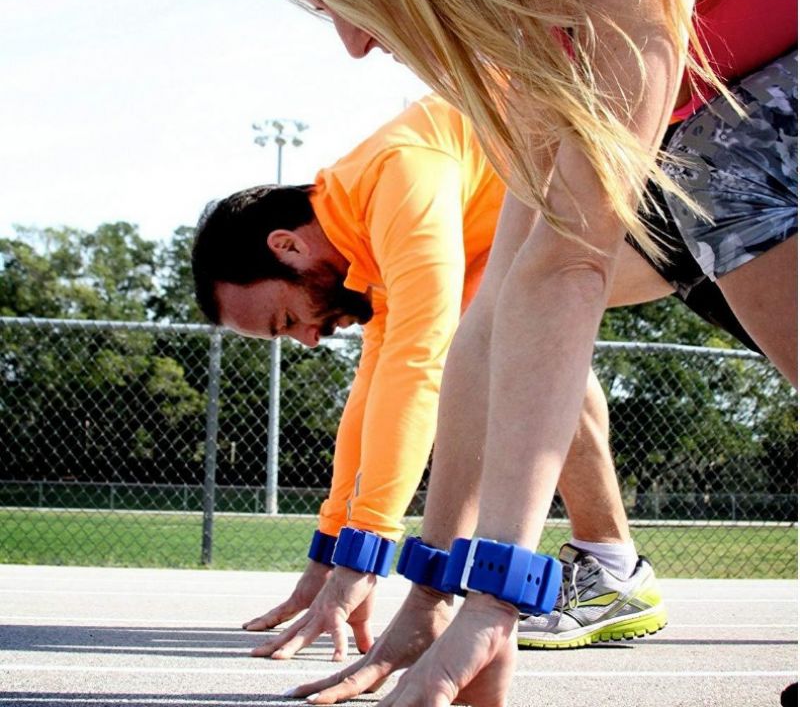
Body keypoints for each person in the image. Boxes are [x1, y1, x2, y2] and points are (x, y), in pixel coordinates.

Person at [249, 0, 797, 704]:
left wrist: (498, 595)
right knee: (708, 176)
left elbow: (571, 264)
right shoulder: (540, 37)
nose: (352, 44)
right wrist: (436, 590)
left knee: (718, 171)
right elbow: (494, 311)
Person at [193, 95, 760, 665]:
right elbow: (375, 389)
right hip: (616, 194)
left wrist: (363, 553)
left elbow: (418, 365)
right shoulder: (362, 231)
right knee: (518, 331)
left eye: (288, 320)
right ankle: (610, 567)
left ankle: (610, 564)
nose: (310, 339)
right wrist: (333, 548)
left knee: (517, 328)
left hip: (669, 160)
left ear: (287, 245)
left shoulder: (401, 174)